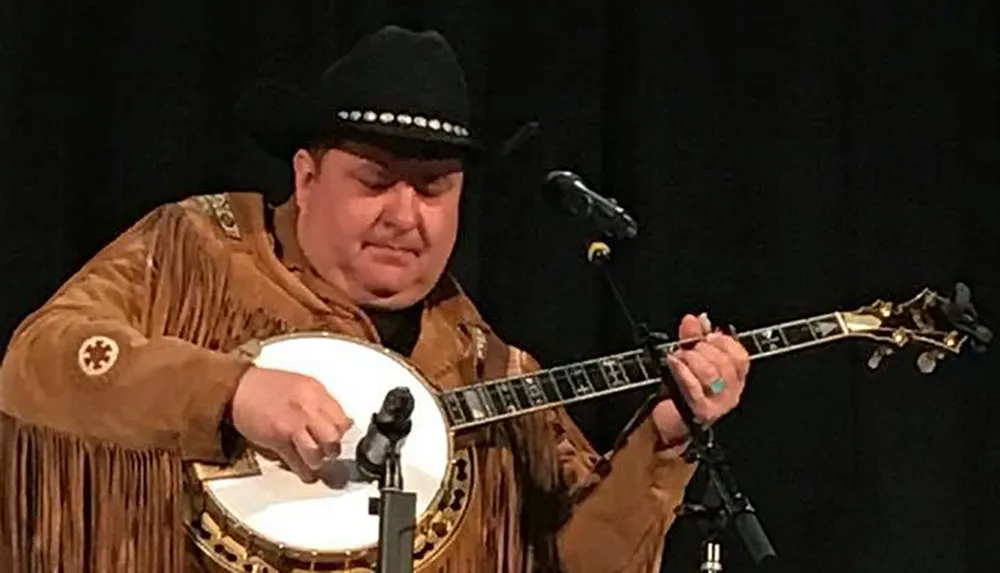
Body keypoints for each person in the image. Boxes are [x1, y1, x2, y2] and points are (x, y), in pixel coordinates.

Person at [0, 26, 749, 573]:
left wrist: (666, 435)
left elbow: (576, 560)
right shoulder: (197, 248)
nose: (405, 214)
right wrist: (232, 392)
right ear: (305, 176)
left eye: (432, 187)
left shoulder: (482, 359)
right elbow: (40, 360)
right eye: (374, 180)